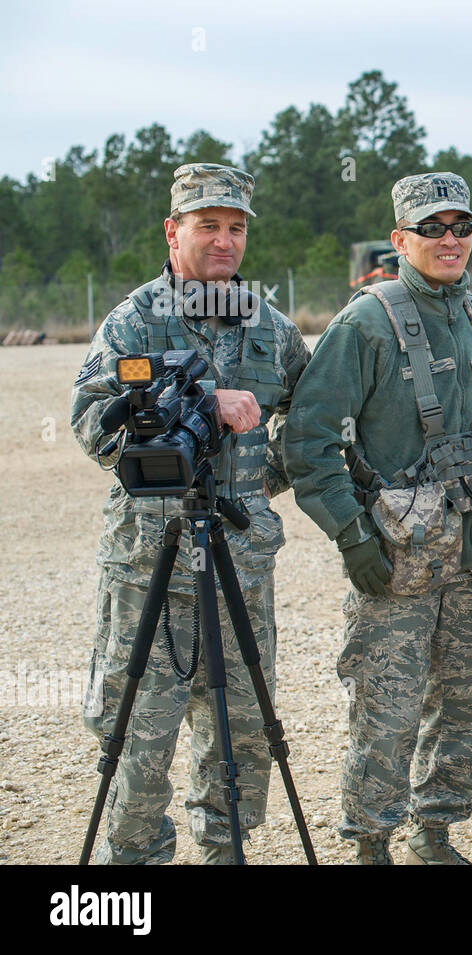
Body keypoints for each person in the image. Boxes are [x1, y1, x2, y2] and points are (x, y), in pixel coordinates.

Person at [71, 162, 309, 864]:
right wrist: (201, 402)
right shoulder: (137, 319)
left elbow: (316, 415)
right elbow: (90, 417)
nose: (224, 241)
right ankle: (133, 863)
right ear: (174, 231)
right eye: (208, 226)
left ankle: (223, 849)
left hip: (241, 559)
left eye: (236, 228)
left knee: (237, 727)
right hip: (150, 562)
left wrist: (258, 481)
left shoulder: (268, 324)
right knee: (138, 730)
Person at [284, 172, 472, 865]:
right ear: (399, 240)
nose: (449, 240)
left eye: (461, 227)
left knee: (467, 704)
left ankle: (434, 832)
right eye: (432, 229)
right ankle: (370, 843)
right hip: (398, 558)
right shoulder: (365, 322)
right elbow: (308, 440)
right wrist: (351, 534)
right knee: (386, 708)